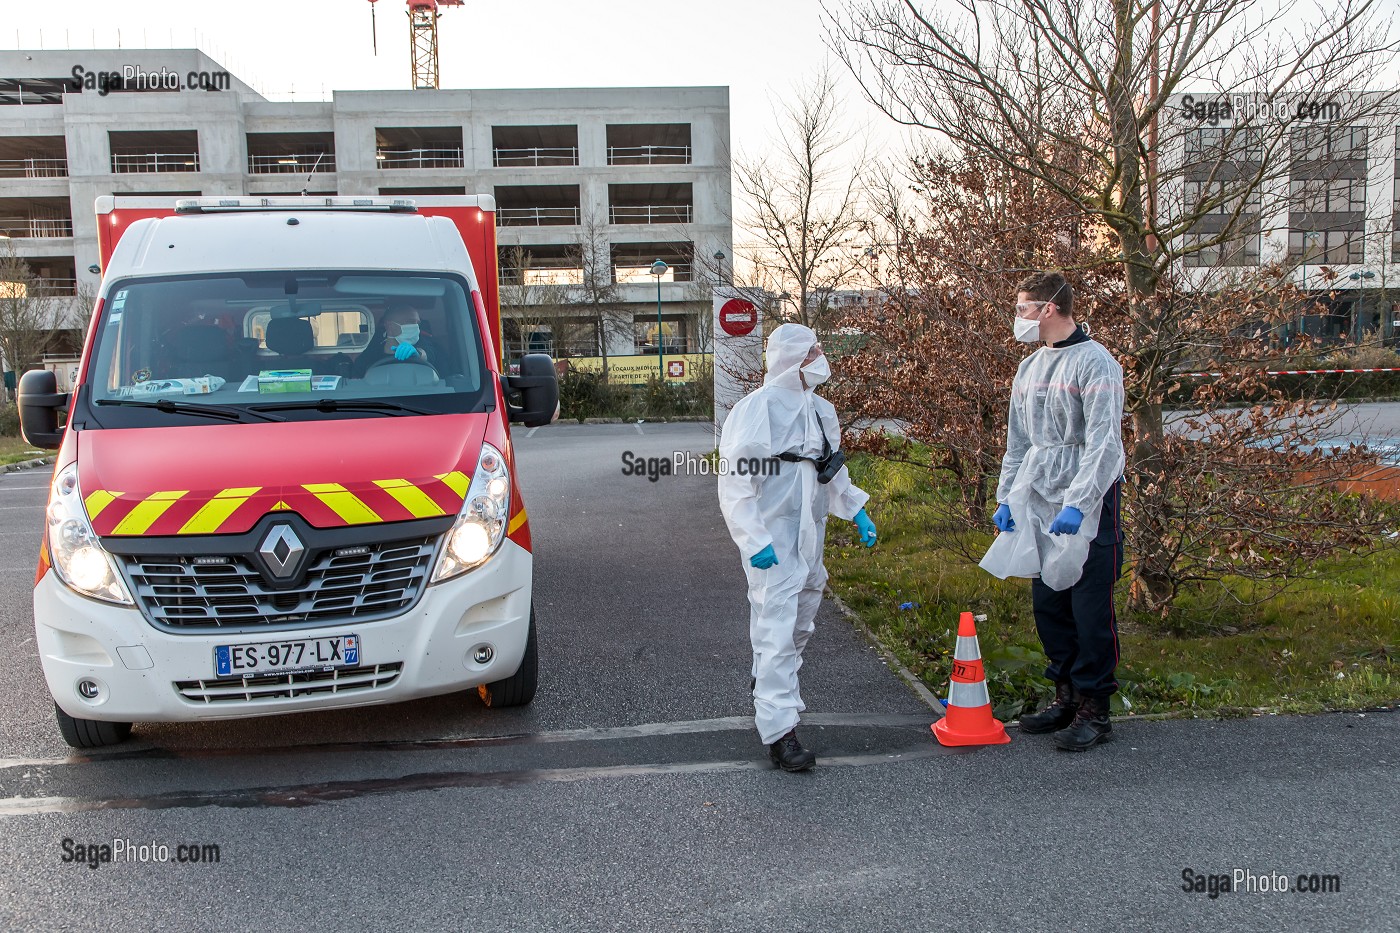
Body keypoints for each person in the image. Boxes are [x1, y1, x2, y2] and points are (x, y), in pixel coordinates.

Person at [718, 323, 878, 772]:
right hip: (773, 531)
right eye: (814, 352)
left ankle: (770, 680)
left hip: (809, 530)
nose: (822, 358)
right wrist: (755, 540)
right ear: (792, 359)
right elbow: (736, 483)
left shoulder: (821, 409)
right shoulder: (756, 410)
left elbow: (830, 468)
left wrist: (856, 509)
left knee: (799, 620)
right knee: (776, 625)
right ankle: (779, 730)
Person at [980, 272, 1126, 752]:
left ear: (1048, 309)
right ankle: (1064, 694)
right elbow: (1019, 441)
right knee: (1049, 601)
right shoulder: (1030, 368)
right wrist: (1006, 497)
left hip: (1088, 494)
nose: (1017, 318)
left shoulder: (1095, 363)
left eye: (1023, 308)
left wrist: (1080, 504)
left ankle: (1095, 708)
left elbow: (1103, 442)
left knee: (1088, 603)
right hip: (1039, 493)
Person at [351, 303, 436, 377]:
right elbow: (359, 368)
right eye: (410, 322)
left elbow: (429, 354)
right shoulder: (374, 349)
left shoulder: (421, 341)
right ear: (390, 326)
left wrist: (418, 354)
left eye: (418, 323)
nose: (416, 327)